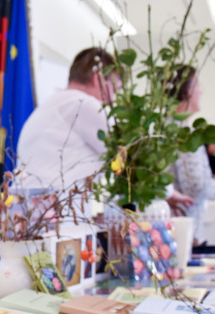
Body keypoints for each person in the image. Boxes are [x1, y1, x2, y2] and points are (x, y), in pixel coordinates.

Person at [17, 47, 194, 210]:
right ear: (99, 77)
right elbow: (127, 159)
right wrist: (169, 192)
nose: (112, 99)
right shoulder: (82, 104)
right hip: (50, 215)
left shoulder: (53, 104)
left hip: (27, 209)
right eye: (114, 89)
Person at [167, 65, 215, 244]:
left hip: (178, 227)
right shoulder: (184, 133)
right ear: (187, 90)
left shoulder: (168, 128)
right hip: (184, 230)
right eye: (198, 86)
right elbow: (196, 185)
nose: (201, 92)